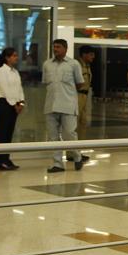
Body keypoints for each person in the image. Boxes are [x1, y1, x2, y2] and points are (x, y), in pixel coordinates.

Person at [43, 39, 88, 173]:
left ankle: (77, 156)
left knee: (70, 134)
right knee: (53, 137)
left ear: (65, 48)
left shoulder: (73, 64)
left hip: (68, 105)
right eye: (54, 47)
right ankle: (57, 164)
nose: (55, 49)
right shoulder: (47, 64)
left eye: (58, 47)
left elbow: (80, 83)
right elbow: (46, 82)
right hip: (51, 105)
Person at [0, 47, 24, 170]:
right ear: (7, 57)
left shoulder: (15, 72)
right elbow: (5, 90)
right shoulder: (1, 71)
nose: (16, 58)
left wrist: (21, 103)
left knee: (9, 134)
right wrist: (15, 105)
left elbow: (19, 89)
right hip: (4, 104)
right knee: (2, 134)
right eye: (14, 55)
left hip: (14, 105)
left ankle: (6, 159)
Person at [76, 46, 95, 139]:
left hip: (85, 96)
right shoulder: (77, 66)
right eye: (91, 55)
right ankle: (72, 150)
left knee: (83, 122)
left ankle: (79, 149)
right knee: (75, 122)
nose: (93, 57)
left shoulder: (87, 66)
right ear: (84, 55)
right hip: (77, 96)